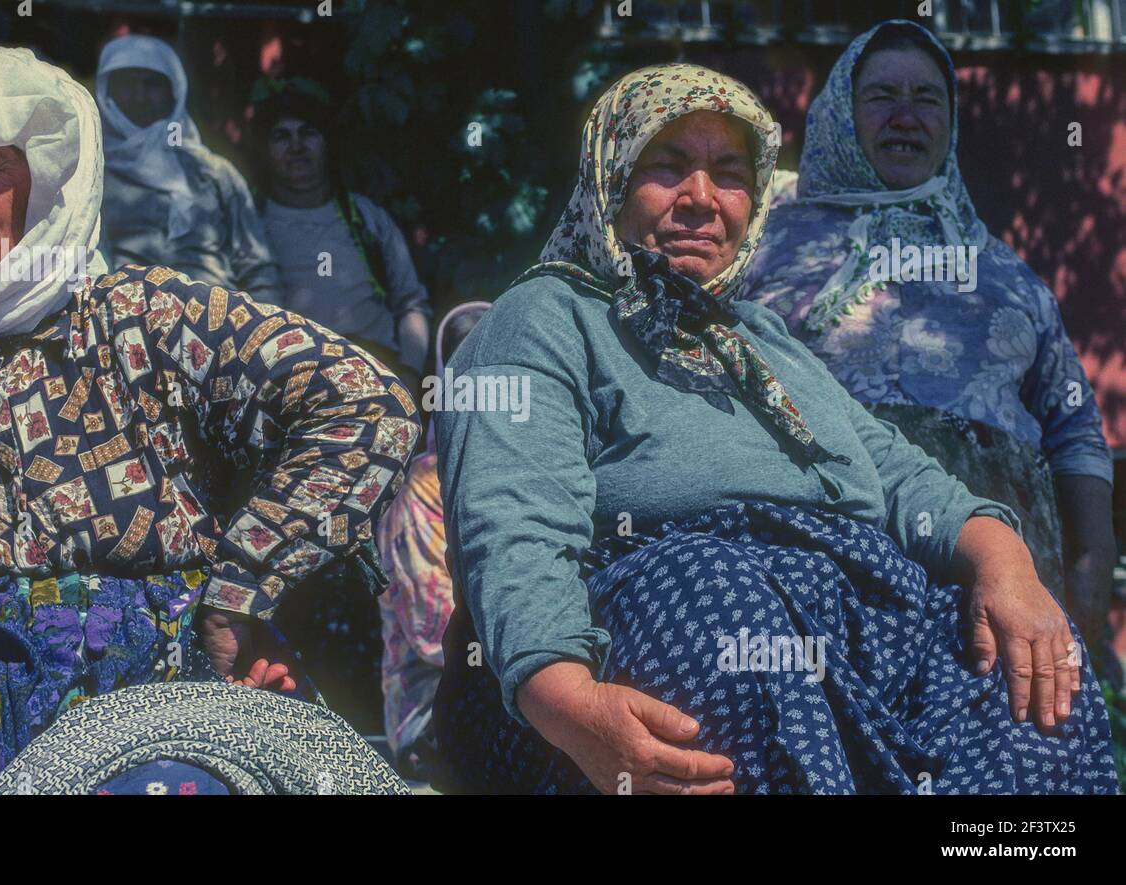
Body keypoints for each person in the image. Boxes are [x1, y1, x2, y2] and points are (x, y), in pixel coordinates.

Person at [430, 63, 1118, 794]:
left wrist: (1007, 564)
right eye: (667, 168)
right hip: (634, 641)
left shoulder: (763, 339)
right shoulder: (545, 318)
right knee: (714, 599)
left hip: (843, 628)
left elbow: (898, 474)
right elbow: (517, 532)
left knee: (1030, 661)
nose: (701, 199)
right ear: (611, 178)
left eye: (729, 174)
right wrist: (568, 699)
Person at [0, 46, 419, 795]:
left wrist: (240, 591)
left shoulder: (138, 317)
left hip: (165, 705)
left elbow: (366, 403)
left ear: (44, 190)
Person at [742, 21, 1116, 654]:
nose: (906, 116)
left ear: (951, 120)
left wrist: (1095, 562)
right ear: (840, 112)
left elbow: (1074, 426)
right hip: (815, 562)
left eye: (928, 99)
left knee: (1001, 748)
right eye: (882, 96)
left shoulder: (1002, 270)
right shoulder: (759, 247)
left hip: (1007, 579)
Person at [254, 91, 431, 400]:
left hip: (376, 378)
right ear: (264, 151)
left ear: (327, 144)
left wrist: (410, 376)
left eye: (308, 133)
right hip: (289, 387)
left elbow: (411, 303)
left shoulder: (366, 218)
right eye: (281, 136)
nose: (296, 146)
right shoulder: (250, 224)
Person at [377, 301, 489, 781]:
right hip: (438, 714)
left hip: (529, 694)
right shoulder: (422, 489)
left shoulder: (533, 474)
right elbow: (435, 635)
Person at [97, 35, 282, 298]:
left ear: (175, 91)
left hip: (220, 318)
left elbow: (258, 265)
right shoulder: (94, 173)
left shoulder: (213, 172)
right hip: (131, 320)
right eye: (127, 83)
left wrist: (262, 330)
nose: (139, 95)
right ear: (108, 92)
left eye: (152, 84)